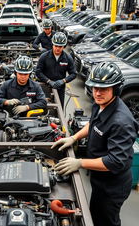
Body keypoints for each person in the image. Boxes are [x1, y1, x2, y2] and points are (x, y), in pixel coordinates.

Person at [52, 62, 138, 226]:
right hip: (100, 178)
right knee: (95, 214)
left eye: (104, 89)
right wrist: (73, 137)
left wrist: (79, 162)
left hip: (113, 185)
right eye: (94, 88)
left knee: (106, 220)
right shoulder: (101, 104)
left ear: (116, 89)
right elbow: (93, 124)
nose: (97, 93)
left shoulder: (122, 122)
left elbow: (115, 161)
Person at [36, 32, 76, 108]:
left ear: (64, 46)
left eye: (60, 46)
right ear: (52, 44)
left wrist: (63, 81)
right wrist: (48, 81)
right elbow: (38, 72)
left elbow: (73, 74)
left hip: (60, 88)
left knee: (59, 108)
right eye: (56, 46)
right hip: (45, 86)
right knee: (43, 107)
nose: (57, 48)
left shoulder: (68, 58)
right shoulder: (44, 56)